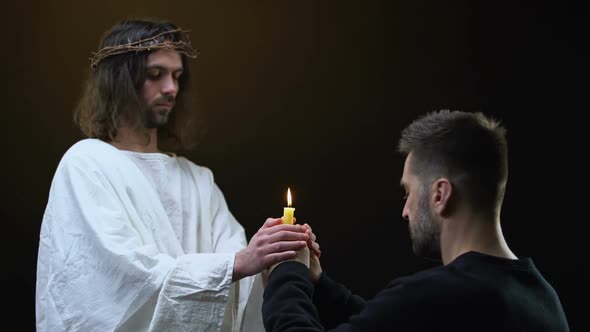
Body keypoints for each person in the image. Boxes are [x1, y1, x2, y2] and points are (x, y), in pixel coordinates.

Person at [35, 18, 318, 331]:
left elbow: (240, 276)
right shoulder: (86, 164)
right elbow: (119, 279)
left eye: (177, 76)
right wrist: (239, 262)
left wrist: (275, 259)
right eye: (155, 75)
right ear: (118, 81)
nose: (171, 88)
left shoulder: (197, 180)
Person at [262, 110, 570, 331]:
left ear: (440, 194)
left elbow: (408, 312)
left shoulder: (437, 296)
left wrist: (287, 272)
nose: (405, 210)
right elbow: (387, 319)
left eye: (408, 191)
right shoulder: (542, 298)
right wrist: (319, 284)